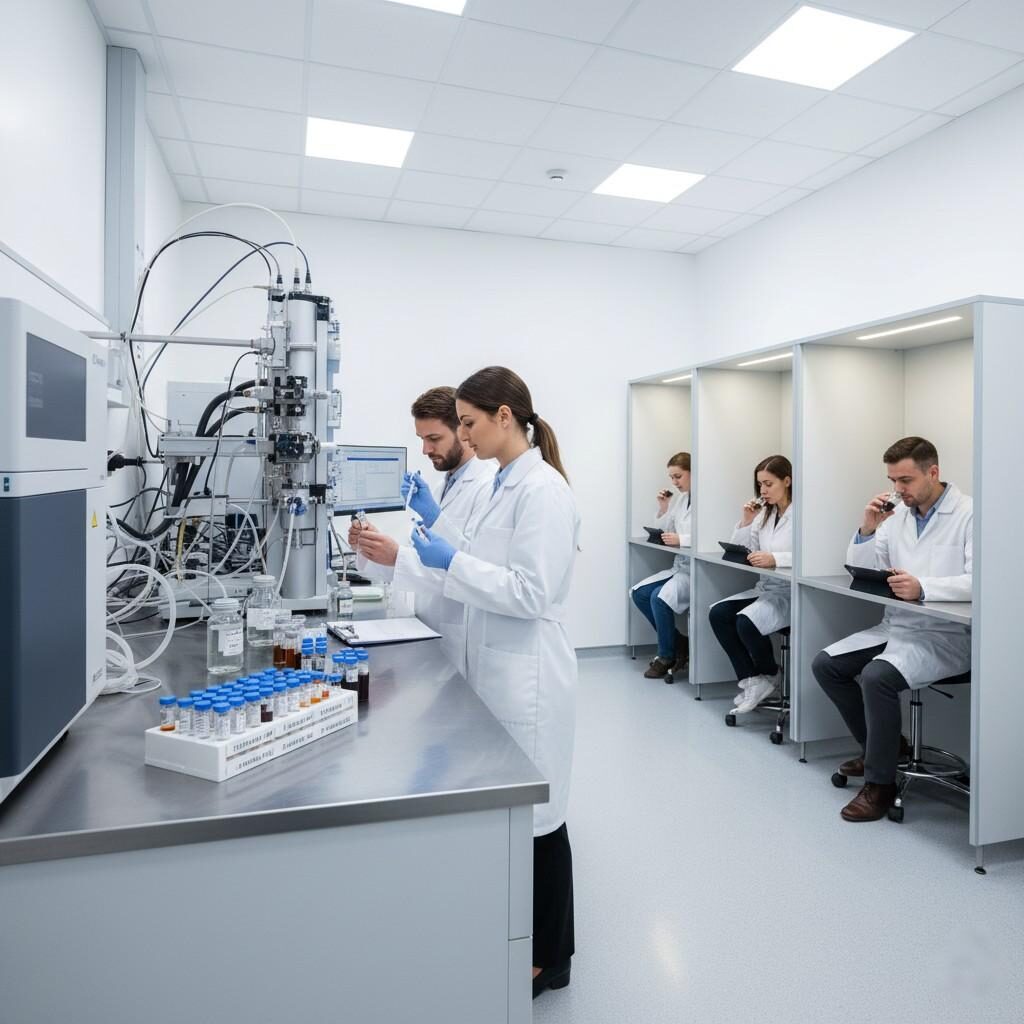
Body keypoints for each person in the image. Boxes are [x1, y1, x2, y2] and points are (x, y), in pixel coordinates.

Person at [407, 366, 579, 1000]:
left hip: (528, 672)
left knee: (542, 823)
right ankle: (519, 939)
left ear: (505, 416)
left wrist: (452, 560)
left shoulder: (544, 491)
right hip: (498, 664)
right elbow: (485, 563)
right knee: (515, 818)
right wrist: (445, 538)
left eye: (469, 423)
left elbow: (531, 592)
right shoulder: (503, 482)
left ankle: (551, 959)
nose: (463, 436)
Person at [812, 436, 972, 823]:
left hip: (946, 634)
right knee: (826, 665)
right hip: (897, 626)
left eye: (906, 480)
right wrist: (868, 530)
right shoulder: (896, 516)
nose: (898, 489)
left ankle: (879, 784)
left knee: (876, 676)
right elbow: (865, 570)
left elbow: (982, 579)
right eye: (893, 480)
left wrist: (924, 588)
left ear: (933, 472)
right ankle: (883, 749)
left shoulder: (970, 514)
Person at [348, 386, 493, 675]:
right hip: (427, 626)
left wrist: (396, 556)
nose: (425, 450)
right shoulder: (440, 487)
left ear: (463, 431)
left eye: (434, 439)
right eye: (422, 439)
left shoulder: (486, 487)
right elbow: (418, 558)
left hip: (459, 633)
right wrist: (372, 547)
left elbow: (469, 570)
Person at [708, 455, 793, 714]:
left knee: (746, 622)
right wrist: (746, 520)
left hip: (791, 592)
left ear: (787, 481)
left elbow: (812, 555)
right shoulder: (764, 514)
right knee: (718, 613)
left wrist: (775, 559)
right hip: (766, 588)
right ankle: (752, 680)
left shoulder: (803, 514)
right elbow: (745, 550)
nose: (763, 490)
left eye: (768, 484)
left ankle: (770, 673)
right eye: (760, 485)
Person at [630, 453, 691, 678]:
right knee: (639, 593)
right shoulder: (682, 499)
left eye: (678, 476)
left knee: (658, 597)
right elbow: (667, 528)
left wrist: (682, 540)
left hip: (697, 570)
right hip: (680, 566)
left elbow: (710, 535)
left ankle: (666, 655)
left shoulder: (708, 498)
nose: (674, 482)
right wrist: (664, 507)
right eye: (671, 477)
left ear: (694, 472)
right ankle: (679, 643)